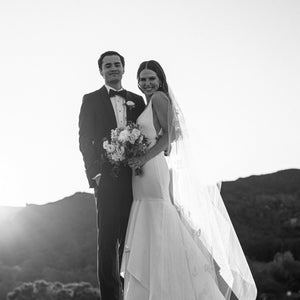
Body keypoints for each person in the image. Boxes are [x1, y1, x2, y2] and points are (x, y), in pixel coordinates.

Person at [121, 60, 257, 299]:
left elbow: (172, 134)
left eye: (151, 78)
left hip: (151, 169)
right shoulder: (148, 102)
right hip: (144, 170)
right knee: (151, 214)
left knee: (158, 215)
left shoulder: (160, 98)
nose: (147, 83)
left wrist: (143, 157)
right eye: (142, 79)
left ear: (160, 80)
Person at [78, 51, 145, 300]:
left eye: (117, 64)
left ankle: (133, 292)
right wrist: (94, 174)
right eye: (108, 65)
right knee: (107, 240)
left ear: (124, 69)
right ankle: (110, 296)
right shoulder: (91, 99)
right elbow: (84, 139)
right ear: (101, 71)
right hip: (105, 178)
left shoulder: (138, 100)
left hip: (136, 178)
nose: (113, 68)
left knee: (132, 236)